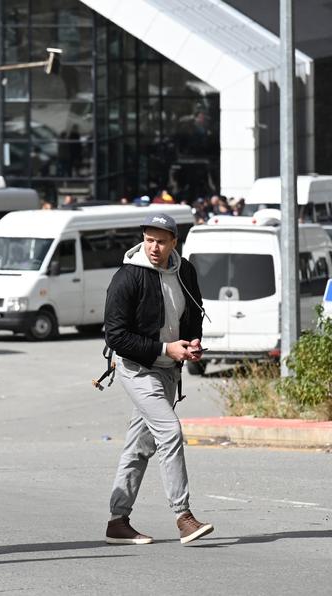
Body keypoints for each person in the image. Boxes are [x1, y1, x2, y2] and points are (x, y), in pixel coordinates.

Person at [103, 212, 214, 546]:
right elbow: (116, 337)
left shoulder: (185, 271)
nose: (153, 247)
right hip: (137, 369)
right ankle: (183, 517)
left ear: (174, 243)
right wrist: (167, 347)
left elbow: (194, 313)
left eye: (161, 241)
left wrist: (193, 343)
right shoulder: (128, 277)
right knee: (170, 431)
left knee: (140, 446)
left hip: (168, 370)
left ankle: (117, 521)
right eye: (149, 240)